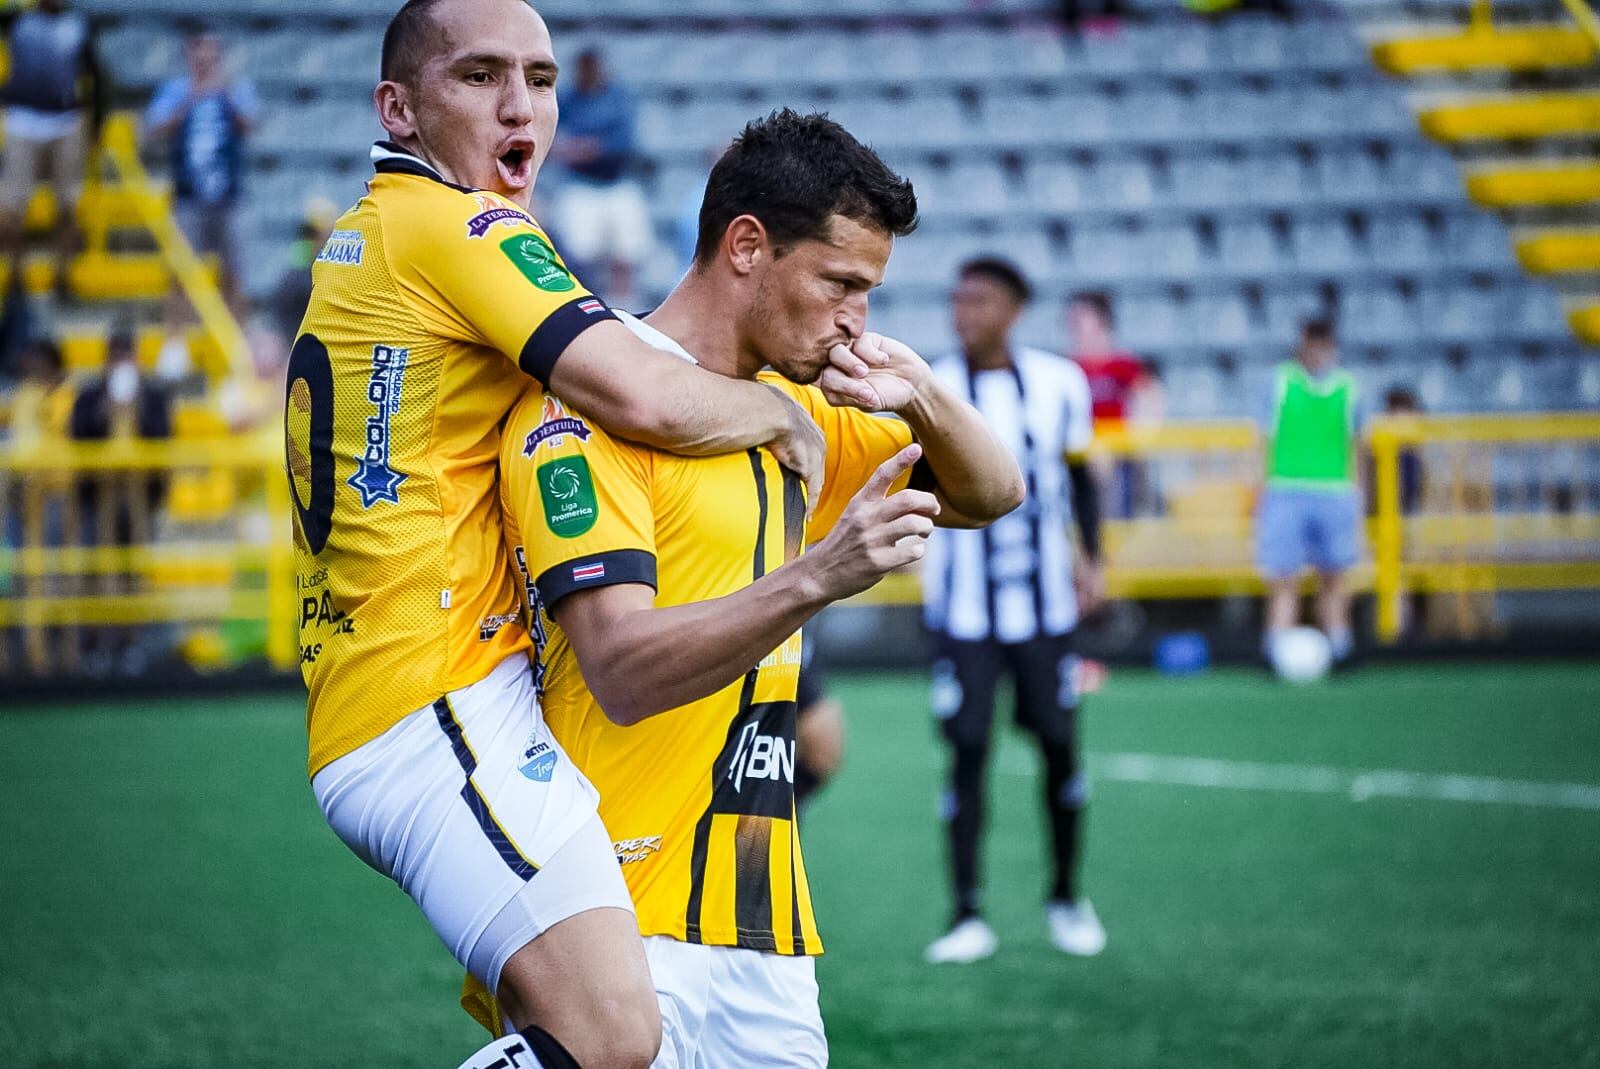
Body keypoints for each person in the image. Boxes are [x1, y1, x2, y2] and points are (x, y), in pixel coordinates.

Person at [291, 4, 842, 1068]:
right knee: (607, 1034)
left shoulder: (366, 237)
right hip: (434, 693)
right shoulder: (457, 227)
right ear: (397, 109)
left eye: (540, 80)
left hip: (395, 696)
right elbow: (641, 391)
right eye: (480, 76)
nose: (520, 108)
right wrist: (782, 416)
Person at [475, 109, 1024, 1066]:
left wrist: (923, 392)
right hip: (614, 917)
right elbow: (623, 670)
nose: (857, 317)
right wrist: (821, 576)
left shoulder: (804, 411)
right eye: (841, 284)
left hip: (761, 925)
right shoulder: (589, 412)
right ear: (746, 247)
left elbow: (992, 491)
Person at [922, 257, 1106, 965]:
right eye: (958, 299)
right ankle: (966, 910)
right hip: (964, 615)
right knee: (967, 748)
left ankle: (1065, 895)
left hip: (1047, 612)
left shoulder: (1060, 383)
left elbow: (1081, 476)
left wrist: (1093, 557)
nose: (965, 313)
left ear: (1015, 309)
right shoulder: (933, 383)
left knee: (1059, 743)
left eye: (981, 301)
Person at [145, 29, 260, 373]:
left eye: (211, 55)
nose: (205, 62)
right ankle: (175, 340)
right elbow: (155, 127)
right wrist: (192, 98)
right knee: (181, 272)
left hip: (230, 197)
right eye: (200, 55)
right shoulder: (176, 91)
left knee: (235, 273)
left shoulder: (235, 89)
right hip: (188, 197)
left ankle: (235, 341)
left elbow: (250, 122)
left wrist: (222, 93)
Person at [1256, 318, 1364, 667]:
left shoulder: (1348, 387)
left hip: (1335, 492)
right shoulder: (1281, 382)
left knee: (1334, 576)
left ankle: (1340, 644)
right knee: (1284, 576)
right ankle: (1274, 646)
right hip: (1286, 489)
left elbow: (1357, 446)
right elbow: (1263, 441)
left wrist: (1359, 497)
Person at [69, 329, 172, 676]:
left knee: (134, 568)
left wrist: (137, 406)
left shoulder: (152, 396)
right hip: (101, 493)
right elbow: (77, 433)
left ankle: (131, 644)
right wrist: (104, 411)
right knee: (101, 568)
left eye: (127, 356)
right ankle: (98, 646)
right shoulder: (89, 395)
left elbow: (164, 436)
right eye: (117, 357)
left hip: (140, 493)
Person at [0, 0, 104, 298]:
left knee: (69, 206)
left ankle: (62, 275)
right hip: (22, 119)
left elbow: (95, 75)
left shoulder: (78, 25)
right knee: (10, 209)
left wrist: (96, 119)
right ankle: (15, 275)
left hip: (65, 121)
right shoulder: (17, 20)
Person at [550, 47, 651, 306]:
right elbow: (552, 143)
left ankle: (626, 308)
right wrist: (579, 149)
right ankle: (587, 307)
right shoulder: (568, 99)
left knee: (626, 253)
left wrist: (587, 149)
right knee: (580, 255)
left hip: (617, 183)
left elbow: (624, 143)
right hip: (580, 186)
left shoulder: (618, 98)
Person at [1068, 290, 1150, 517]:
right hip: (1082, 452)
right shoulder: (1069, 368)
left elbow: (1148, 397)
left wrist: (1138, 437)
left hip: (1118, 451)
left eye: (1082, 318)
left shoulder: (1122, 364)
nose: (1075, 326)